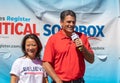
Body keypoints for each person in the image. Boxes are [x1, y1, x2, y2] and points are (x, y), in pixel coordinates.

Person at [42, 10, 94, 83]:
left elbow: (91, 60)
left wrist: (83, 48)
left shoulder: (82, 37)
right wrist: (57, 80)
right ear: (61, 22)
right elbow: (46, 63)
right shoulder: (53, 39)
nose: (71, 24)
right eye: (68, 22)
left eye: (73, 22)